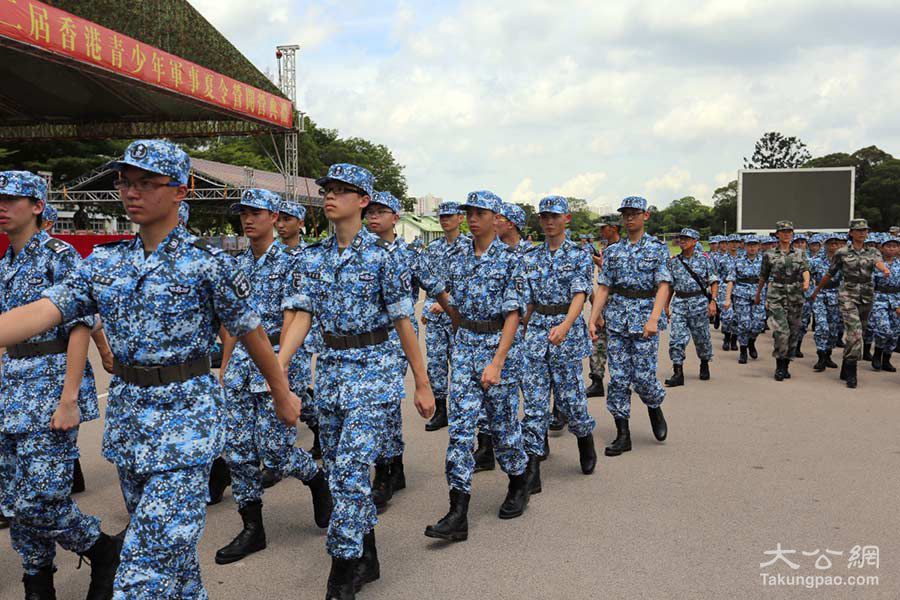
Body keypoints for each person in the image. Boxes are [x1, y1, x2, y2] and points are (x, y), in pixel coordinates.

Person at [0, 140, 304, 598]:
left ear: (182, 190)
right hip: (131, 427)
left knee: (142, 575)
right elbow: (43, 311)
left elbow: (251, 332)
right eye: (125, 182)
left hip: (186, 428)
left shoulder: (207, 264)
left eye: (146, 182)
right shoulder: (105, 262)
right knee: (177, 568)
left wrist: (281, 392)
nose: (131, 192)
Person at [277, 163, 436, 598]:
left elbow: (403, 322)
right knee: (337, 472)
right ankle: (369, 555)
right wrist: (279, 368)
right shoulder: (312, 257)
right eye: (327, 190)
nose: (330, 196)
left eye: (341, 190)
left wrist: (421, 382)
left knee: (349, 472)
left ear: (363, 201)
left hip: (374, 371)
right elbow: (301, 315)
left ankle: (342, 570)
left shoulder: (385, 258)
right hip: (331, 370)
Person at [0, 170, 119, 599]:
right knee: (13, 498)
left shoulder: (60, 256)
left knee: (41, 499)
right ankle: (37, 580)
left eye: (11, 199)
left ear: (37, 206)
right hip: (11, 389)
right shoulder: (5, 264)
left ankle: (101, 549)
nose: (1, 206)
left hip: (50, 387)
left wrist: (69, 398)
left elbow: (80, 326)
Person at [214, 189, 332, 566]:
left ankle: (315, 479)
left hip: (280, 359)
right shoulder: (237, 264)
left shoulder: (293, 262)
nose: (248, 219)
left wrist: (279, 367)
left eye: (256, 213)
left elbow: (294, 317)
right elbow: (233, 322)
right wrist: (225, 365)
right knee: (237, 450)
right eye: (243, 213)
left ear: (274, 217)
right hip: (241, 365)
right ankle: (252, 528)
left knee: (276, 453)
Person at [424, 190, 531, 544]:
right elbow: (453, 306)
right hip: (466, 346)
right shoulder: (458, 258)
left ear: (496, 217)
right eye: (468, 212)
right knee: (459, 432)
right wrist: (443, 302)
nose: (472, 218)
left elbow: (513, 315)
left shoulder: (511, 259)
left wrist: (497, 362)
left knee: (503, 429)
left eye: (479, 213)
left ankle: (519, 482)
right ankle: (458, 513)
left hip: (497, 349)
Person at [364, 190, 452, 512]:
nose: (373, 217)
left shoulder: (409, 254)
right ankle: (392, 465)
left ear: (395, 217)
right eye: (370, 211)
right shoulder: (359, 252)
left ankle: (386, 470)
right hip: (365, 339)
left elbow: (437, 289)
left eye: (380, 211)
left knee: (385, 402)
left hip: (397, 337)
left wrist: (460, 321)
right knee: (372, 405)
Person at [520, 195, 597, 494]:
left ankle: (585, 440)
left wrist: (565, 326)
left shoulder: (579, 254)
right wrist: (521, 328)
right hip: (537, 332)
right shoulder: (530, 257)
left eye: (554, 216)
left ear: (567, 219)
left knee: (571, 400)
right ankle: (533, 466)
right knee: (535, 403)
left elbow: (580, 294)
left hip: (567, 329)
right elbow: (528, 301)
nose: (549, 221)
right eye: (544, 216)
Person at [588, 196, 671, 457]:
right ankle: (623, 433)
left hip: (645, 317)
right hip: (618, 320)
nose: (630, 218)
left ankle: (654, 406)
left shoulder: (657, 248)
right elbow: (604, 287)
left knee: (644, 378)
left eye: (635, 213)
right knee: (619, 379)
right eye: (626, 214)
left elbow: (663, 285)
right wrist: (593, 318)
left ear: (645, 215)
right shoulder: (613, 252)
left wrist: (654, 318)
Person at [810, 219, 890, 388]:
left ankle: (846, 364)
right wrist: (817, 290)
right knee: (854, 333)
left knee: (860, 333)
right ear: (851, 233)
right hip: (847, 294)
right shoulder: (842, 252)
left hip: (866, 296)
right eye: (858, 230)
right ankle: (852, 372)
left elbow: (877, 262)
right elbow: (830, 273)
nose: (862, 233)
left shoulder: (873, 251)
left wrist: (884, 269)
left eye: (864, 230)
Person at [274, 199, 322, 462]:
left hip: (298, 336)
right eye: (278, 219)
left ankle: (316, 426)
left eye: (287, 219)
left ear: (300, 223)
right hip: (268, 336)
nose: (281, 225)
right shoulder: (272, 254)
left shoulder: (309, 256)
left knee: (297, 388)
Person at [421, 201, 467, 433]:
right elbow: (427, 281)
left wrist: (446, 302)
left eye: (450, 216)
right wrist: (427, 309)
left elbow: (471, 283)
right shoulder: (434, 248)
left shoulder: (469, 247)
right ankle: (441, 410)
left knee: (460, 364)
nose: (445, 220)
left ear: (460, 218)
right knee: (436, 364)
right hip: (436, 318)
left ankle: (462, 410)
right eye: (442, 216)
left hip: (459, 317)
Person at [756, 221, 810, 382]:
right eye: (783, 231)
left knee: (793, 332)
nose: (786, 234)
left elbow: (805, 269)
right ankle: (779, 366)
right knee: (781, 332)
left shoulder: (800, 253)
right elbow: (763, 276)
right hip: (776, 295)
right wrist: (758, 294)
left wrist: (806, 282)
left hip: (795, 295)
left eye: (789, 232)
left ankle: (786, 364)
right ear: (777, 234)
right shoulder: (769, 254)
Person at [663, 228, 718, 386]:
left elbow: (713, 281)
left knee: (702, 338)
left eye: (686, 239)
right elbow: (670, 286)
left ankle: (704, 363)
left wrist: (713, 302)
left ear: (695, 241)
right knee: (676, 339)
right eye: (681, 238)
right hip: (680, 303)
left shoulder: (704, 260)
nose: (683, 241)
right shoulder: (673, 262)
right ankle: (678, 372)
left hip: (699, 302)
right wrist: (666, 305)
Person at [584, 219, 620, 399]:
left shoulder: (624, 249)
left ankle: (624, 381)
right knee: (598, 342)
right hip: (604, 302)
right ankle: (597, 380)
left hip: (621, 305)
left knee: (621, 345)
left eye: (604, 228)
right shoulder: (605, 249)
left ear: (614, 228)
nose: (601, 232)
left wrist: (598, 262)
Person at [724, 235, 765, 364]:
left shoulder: (764, 261)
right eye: (749, 245)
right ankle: (743, 349)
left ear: (759, 246)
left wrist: (769, 299)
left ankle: (751, 342)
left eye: (754, 245)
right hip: (741, 294)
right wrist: (727, 299)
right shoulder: (737, 261)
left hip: (759, 294)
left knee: (758, 323)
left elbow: (769, 280)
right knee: (744, 323)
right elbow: (731, 280)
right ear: (745, 246)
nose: (752, 248)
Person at [810, 233, 844, 371]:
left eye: (836, 244)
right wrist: (811, 292)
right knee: (822, 326)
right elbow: (807, 275)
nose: (833, 246)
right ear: (825, 245)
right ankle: (821, 356)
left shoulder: (844, 261)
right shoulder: (816, 260)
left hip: (836, 295)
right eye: (831, 243)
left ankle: (828, 354)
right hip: (820, 294)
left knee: (833, 329)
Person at [869, 234, 899, 372]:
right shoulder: (876, 265)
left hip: (897, 299)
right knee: (884, 329)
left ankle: (886, 359)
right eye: (888, 246)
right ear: (882, 248)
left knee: (895, 332)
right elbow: (870, 284)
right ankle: (877, 353)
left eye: (895, 246)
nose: (891, 249)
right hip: (880, 298)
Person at [792, 233, 812, 357]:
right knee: (791, 321)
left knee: (803, 322)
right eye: (797, 242)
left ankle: (798, 346)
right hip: (792, 293)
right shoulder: (789, 257)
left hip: (807, 294)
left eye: (802, 242)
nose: (800, 245)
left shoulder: (813, 259)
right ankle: (790, 345)